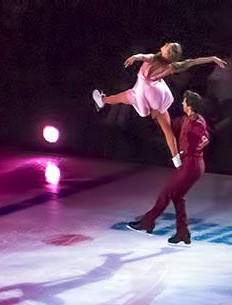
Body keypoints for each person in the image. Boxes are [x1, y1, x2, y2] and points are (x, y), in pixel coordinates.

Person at [92, 42, 224, 167]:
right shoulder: (172, 66)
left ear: (168, 54)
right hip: (156, 95)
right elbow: (192, 62)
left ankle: (102, 101)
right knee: (167, 129)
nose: (166, 44)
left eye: (168, 46)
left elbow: (144, 56)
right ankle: (176, 160)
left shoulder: (154, 58)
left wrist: (135, 57)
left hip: (142, 92)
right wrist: (212, 58)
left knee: (119, 98)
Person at [127, 90, 210, 245]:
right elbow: (171, 124)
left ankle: (148, 222)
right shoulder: (186, 119)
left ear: (189, 105)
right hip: (189, 164)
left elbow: (204, 137)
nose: (182, 104)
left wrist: (198, 144)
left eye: (184, 101)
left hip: (192, 165)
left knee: (167, 193)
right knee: (177, 196)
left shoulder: (197, 122)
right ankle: (183, 233)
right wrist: (158, 114)